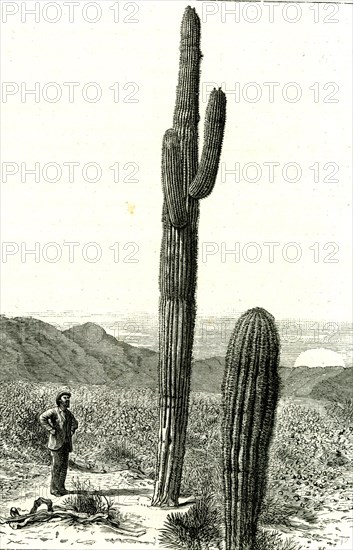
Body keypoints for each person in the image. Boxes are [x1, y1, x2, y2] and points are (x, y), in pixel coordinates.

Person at [39, 390, 78, 496]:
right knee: (56, 467)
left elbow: (75, 423)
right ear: (59, 400)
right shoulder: (53, 411)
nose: (68, 400)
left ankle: (61, 488)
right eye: (65, 398)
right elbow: (42, 418)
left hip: (66, 444)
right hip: (56, 444)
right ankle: (54, 489)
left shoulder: (69, 413)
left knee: (64, 467)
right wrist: (51, 429)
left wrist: (71, 431)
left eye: (68, 398)